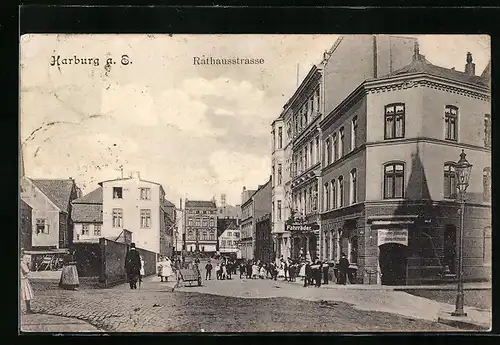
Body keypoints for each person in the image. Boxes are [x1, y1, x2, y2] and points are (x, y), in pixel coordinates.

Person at [20, 249, 34, 314]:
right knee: (26, 294)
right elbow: (26, 271)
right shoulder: (21, 262)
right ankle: (28, 309)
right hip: (23, 279)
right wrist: (28, 264)